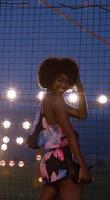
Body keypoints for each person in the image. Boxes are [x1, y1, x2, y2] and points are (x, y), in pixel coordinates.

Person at [28, 57, 92, 200]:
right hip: (63, 160)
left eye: (67, 81)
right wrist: (83, 166)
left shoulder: (49, 99)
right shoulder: (56, 101)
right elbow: (70, 135)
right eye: (59, 80)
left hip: (50, 161)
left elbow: (82, 114)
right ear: (50, 79)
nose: (64, 85)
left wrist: (79, 85)